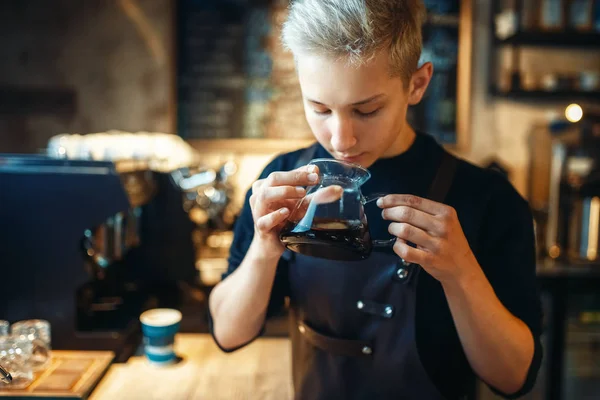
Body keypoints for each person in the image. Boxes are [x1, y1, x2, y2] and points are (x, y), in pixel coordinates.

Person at [208, 0, 543, 399]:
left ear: (417, 84)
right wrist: (264, 249)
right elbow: (228, 334)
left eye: (366, 110)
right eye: (319, 108)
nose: (340, 139)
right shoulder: (282, 181)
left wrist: (460, 272)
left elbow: (514, 378)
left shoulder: (487, 200)